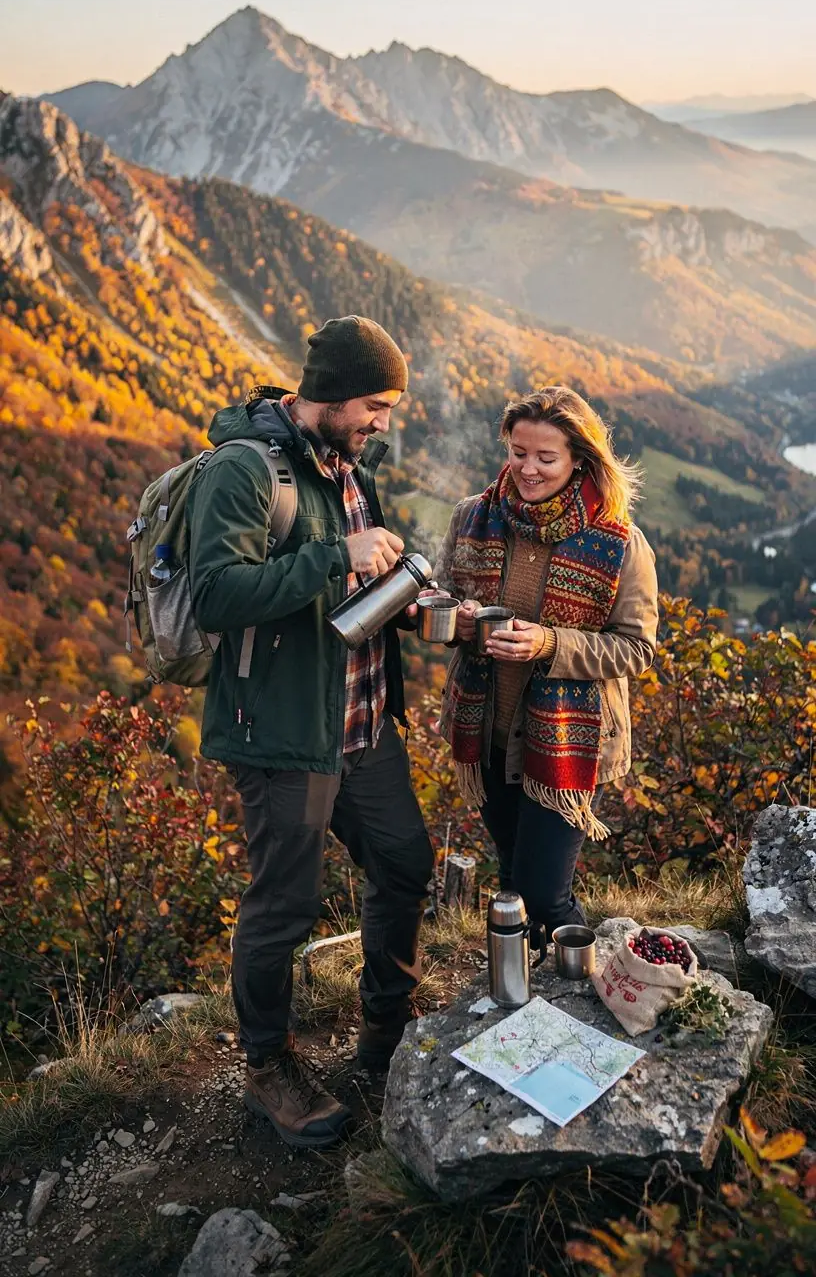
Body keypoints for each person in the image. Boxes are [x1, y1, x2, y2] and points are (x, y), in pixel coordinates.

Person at [187, 316, 434, 1149]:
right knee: (284, 908)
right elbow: (216, 595)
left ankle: (386, 1031)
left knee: (404, 863)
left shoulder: (344, 464)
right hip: (283, 732)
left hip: (362, 723)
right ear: (327, 393)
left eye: (390, 408)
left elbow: (348, 588)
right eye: (375, 403)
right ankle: (268, 1070)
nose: (382, 423)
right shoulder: (243, 470)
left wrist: (409, 592)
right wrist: (340, 556)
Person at [433, 387, 658, 950]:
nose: (527, 469)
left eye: (545, 458)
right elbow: (439, 599)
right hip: (486, 732)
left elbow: (635, 649)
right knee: (511, 873)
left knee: (544, 890)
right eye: (518, 452)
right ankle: (519, 993)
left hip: (565, 742)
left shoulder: (621, 545)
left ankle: (576, 995)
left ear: (579, 459)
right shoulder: (472, 519)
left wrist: (549, 644)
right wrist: (454, 621)